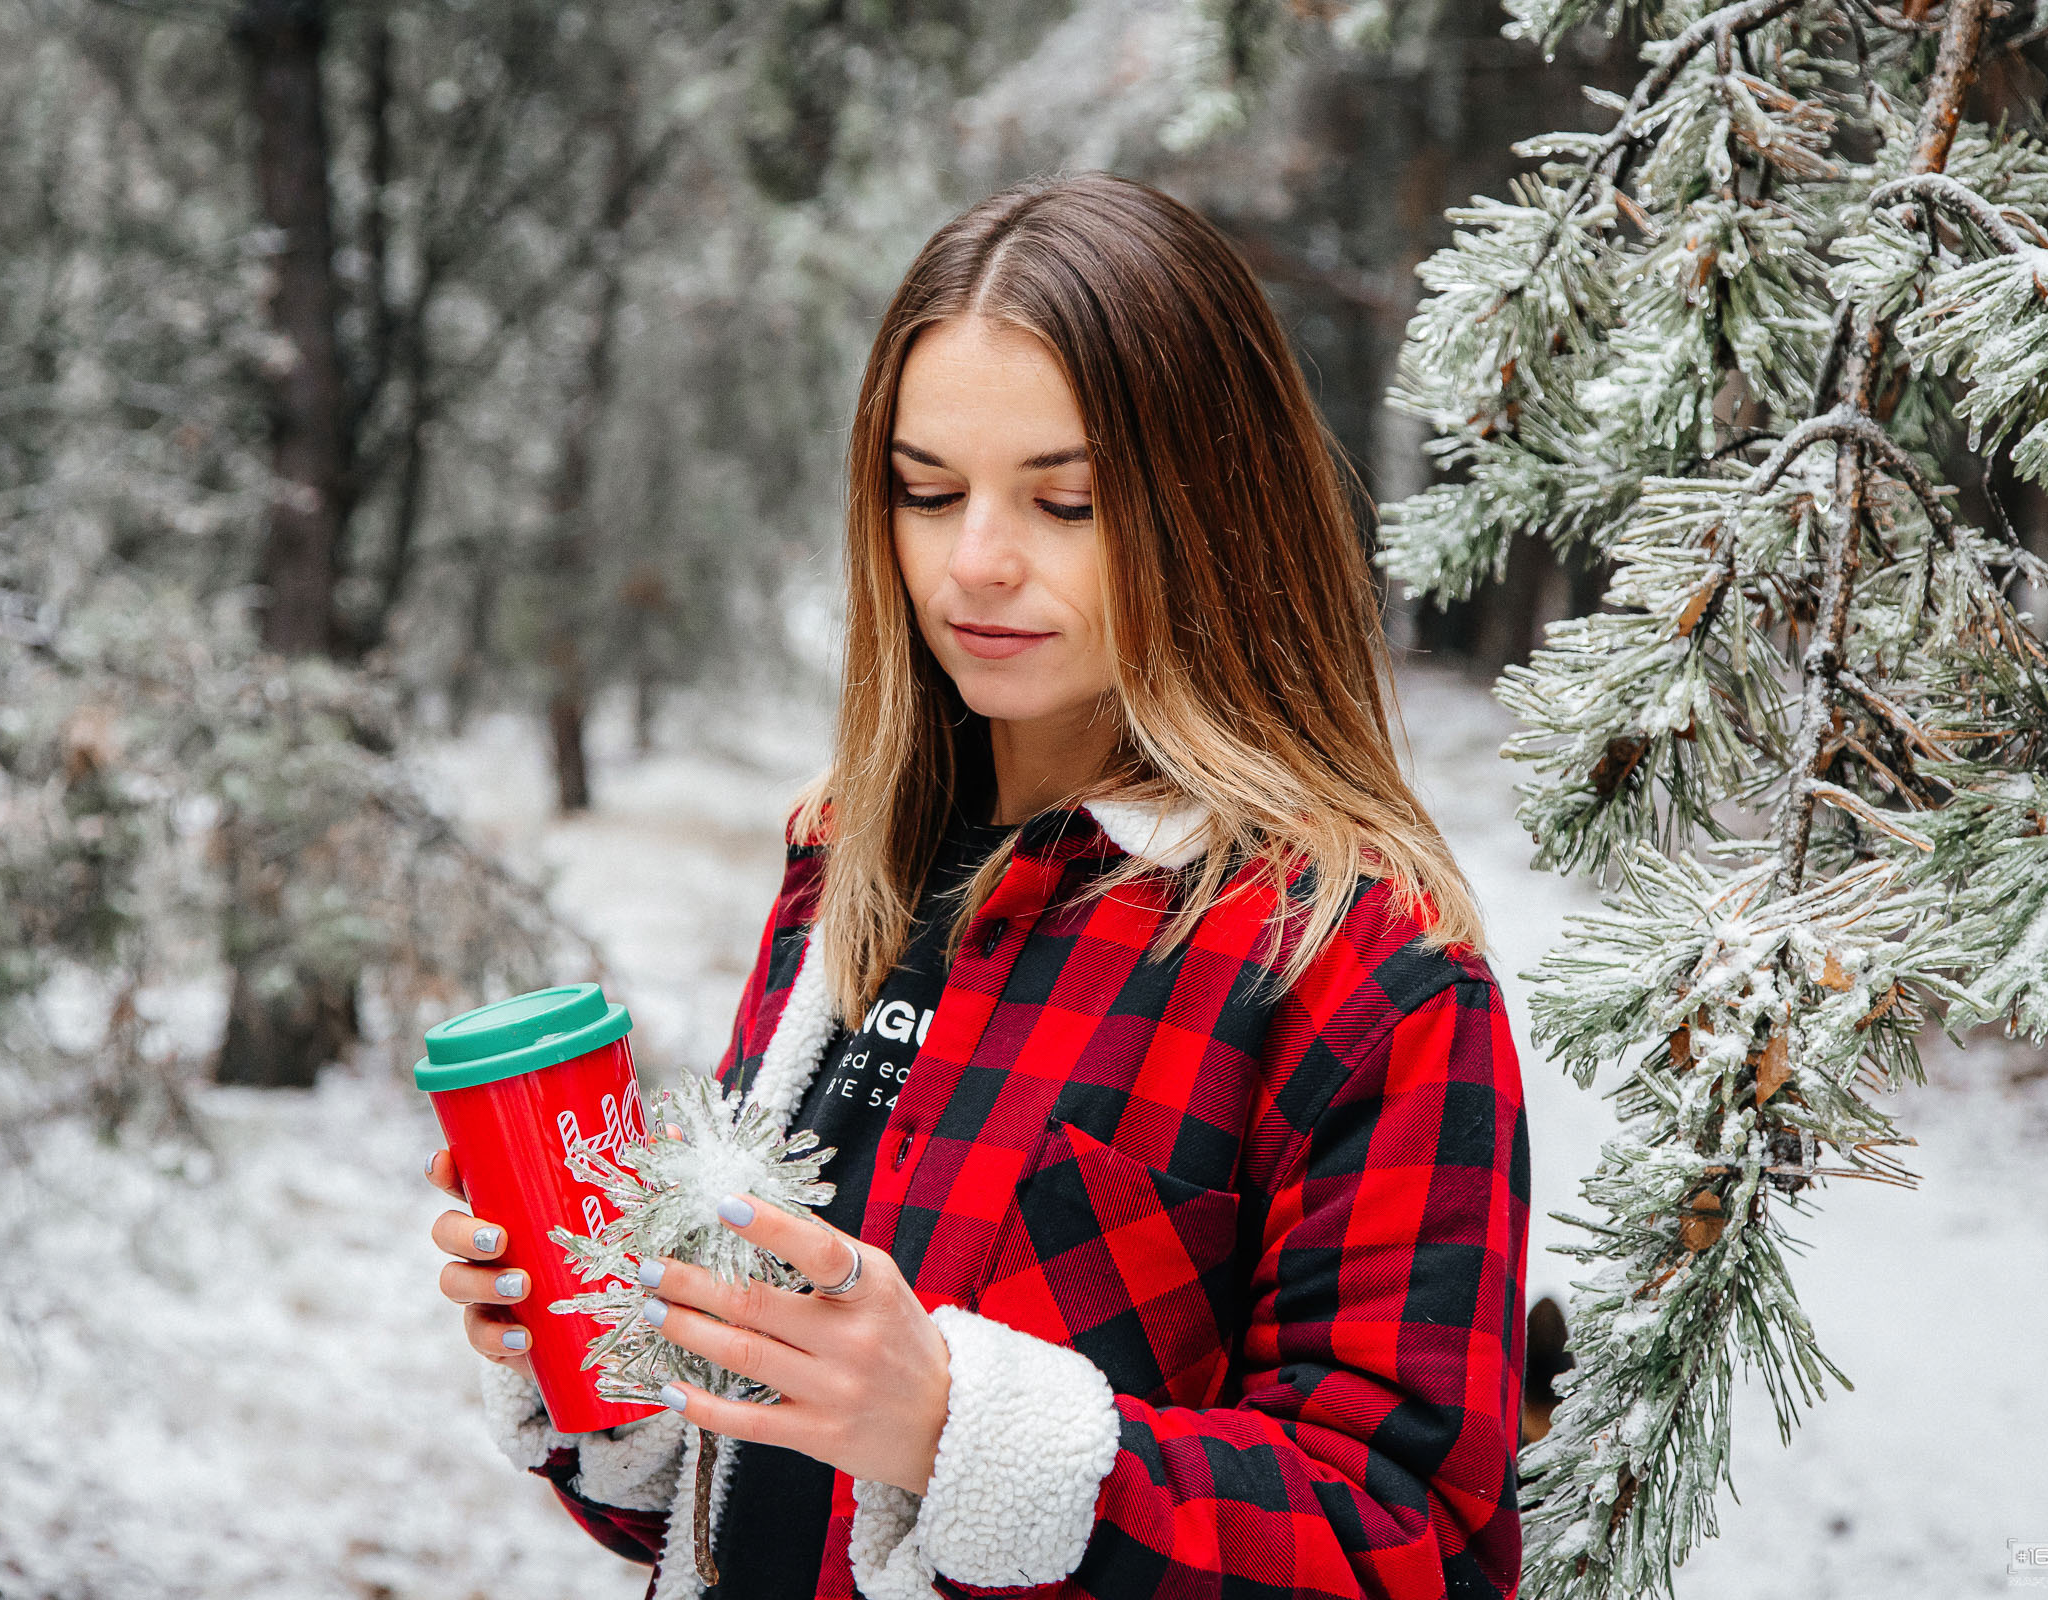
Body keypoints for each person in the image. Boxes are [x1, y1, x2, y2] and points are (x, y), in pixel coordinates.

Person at [426, 170, 1529, 1600]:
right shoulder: (854, 867)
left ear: (1220, 512)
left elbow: (1412, 1549)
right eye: (925, 491)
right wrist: (614, 1360)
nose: (976, 563)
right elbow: (753, 1505)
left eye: (1066, 502)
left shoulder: (1362, 973)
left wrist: (959, 1431)